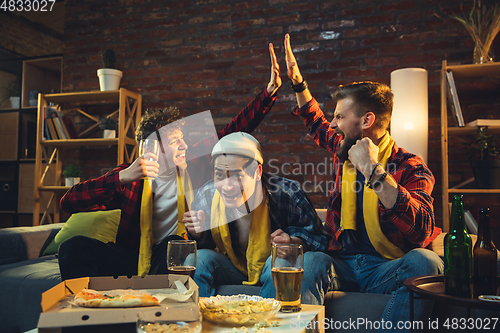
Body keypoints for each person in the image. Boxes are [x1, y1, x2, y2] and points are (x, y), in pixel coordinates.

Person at [57, 43, 282, 281]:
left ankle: (149, 302)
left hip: (175, 254)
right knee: (72, 248)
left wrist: (268, 94)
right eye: (176, 141)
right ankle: (86, 309)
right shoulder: (130, 177)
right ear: (154, 147)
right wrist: (121, 177)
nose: (184, 145)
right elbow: (68, 202)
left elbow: (232, 131)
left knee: (173, 244)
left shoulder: (193, 163)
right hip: (132, 258)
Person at [282, 34, 444, 331]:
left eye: (340, 117)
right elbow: (316, 122)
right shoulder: (343, 148)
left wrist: (373, 170)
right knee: (313, 261)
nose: (333, 124)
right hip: (340, 264)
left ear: (366, 121)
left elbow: (421, 231)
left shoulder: (411, 166)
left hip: (386, 266)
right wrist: (298, 83)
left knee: (426, 264)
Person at [182, 132, 331, 303]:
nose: (227, 186)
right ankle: (197, 324)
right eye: (220, 175)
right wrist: (198, 233)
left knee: (280, 262)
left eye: (237, 176)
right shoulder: (206, 197)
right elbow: (205, 245)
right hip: (233, 266)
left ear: (258, 172)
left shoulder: (286, 193)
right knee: (197, 259)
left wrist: (292, 241)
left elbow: (320, 239)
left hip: (271, 264)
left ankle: (268, 326)